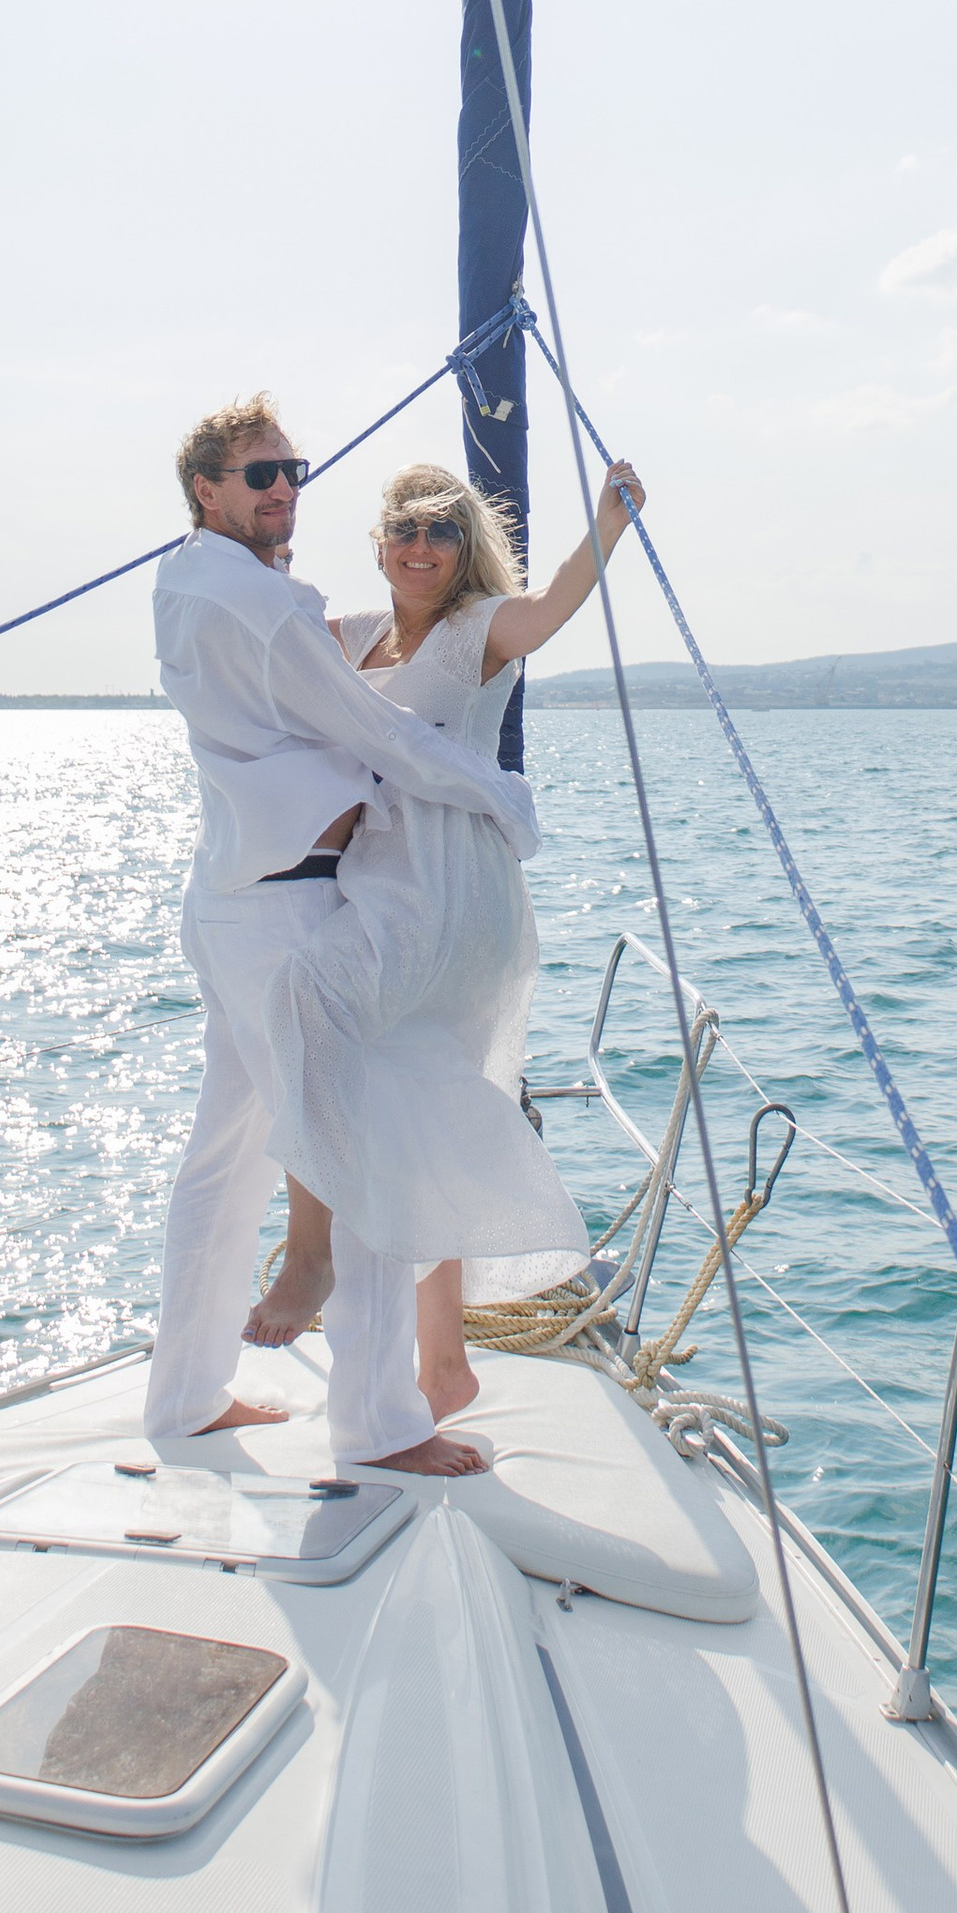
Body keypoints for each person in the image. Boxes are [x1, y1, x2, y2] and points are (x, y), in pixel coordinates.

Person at [143, 392, 548, 1479]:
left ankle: (182, 1394)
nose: (283, 490)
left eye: (292, 472)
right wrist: (500, 798)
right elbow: (376, 731)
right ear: (207, 490)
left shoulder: (181, 586)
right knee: (358, 1156)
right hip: (288, 903)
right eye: (260, 475)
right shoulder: (272, 609)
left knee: (223, 1158)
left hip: (225, 895)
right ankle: (382, 1424)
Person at [243, 448, 644, 1433]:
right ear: (380, 546)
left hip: (453, 892)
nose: (421, 544)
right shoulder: (357, 635)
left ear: (464, 549)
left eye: (441, 529)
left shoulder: (479, 631)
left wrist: (609, 519)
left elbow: (551, 604)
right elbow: (267, 642)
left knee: (308, 996)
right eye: (404, 529)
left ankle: (313, 1248)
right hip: (388, 876)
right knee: (421, 1103)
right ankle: (445, 1359)